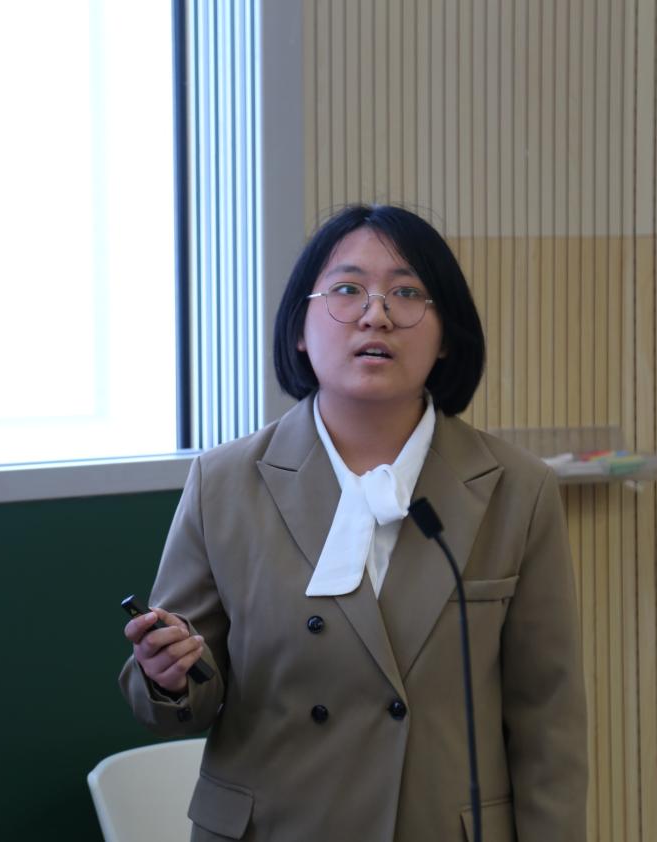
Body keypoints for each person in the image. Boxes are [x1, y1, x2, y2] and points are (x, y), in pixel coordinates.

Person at [119, 204, 587, 841]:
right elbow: (178, 700)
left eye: (407, 293)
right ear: (299, 328)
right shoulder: (224, 483)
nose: (376, 314)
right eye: (346, 290)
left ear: (446, 336)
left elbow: (548, 720)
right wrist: (167, 674)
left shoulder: (517, 489)